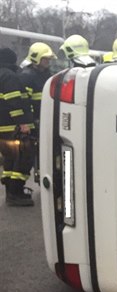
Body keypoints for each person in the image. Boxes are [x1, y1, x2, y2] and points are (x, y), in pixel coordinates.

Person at [0, 48, 35, 206]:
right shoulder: (9, 76)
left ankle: (10, 191)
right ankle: (15, 193)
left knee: (10, 157)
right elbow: (13, 101)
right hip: (11, 126)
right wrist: (22, 123)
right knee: (23, 157)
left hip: (3, 127)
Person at [20, 42, 57, 184]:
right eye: (45, 59)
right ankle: (40, 176)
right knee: (35, 152)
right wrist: (28, 122)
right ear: (36, 58)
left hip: (45, 119)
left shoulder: (46, 74)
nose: (47, 62)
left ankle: (44, 176)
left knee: (46, 151)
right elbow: (25, 102)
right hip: (34, 120)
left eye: (48, 59)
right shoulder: (27, 76)